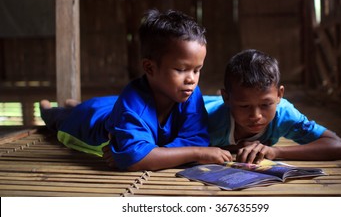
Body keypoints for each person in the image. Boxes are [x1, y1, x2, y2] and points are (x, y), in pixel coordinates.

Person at [40, 9, 232, 171]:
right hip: (90, 122)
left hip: (111, 106)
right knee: (67, 117)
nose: (191, 79)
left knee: (95, 106)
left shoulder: (190, 93)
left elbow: (195, 139)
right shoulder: (132, 104)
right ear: (149, 68)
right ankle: (50, 109)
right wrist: (196, 154)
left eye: (197, 70)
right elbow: (135, 159)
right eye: (181, 70)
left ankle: (74, 104)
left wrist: (153, 152)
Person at [204, 49, 341, 164]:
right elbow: (184, 149)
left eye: (266, 104)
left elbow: (339, 147)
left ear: (279, 95)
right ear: (226, 98)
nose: (256, 115)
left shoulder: (284, 114)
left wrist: (275, 152)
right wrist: (235, 147)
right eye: (244, 106)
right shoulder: (205, 119)